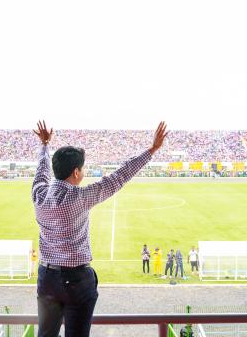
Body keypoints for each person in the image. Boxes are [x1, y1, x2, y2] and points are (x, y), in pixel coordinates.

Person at [32, 120, 168, 337]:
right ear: (76, 172)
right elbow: (119, 177)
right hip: (76, 280)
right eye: (83, 168)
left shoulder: (38, 195)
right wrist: (151, 150)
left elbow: (41, 172)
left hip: (46, 278)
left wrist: (45, 145)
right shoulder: (80, 197)